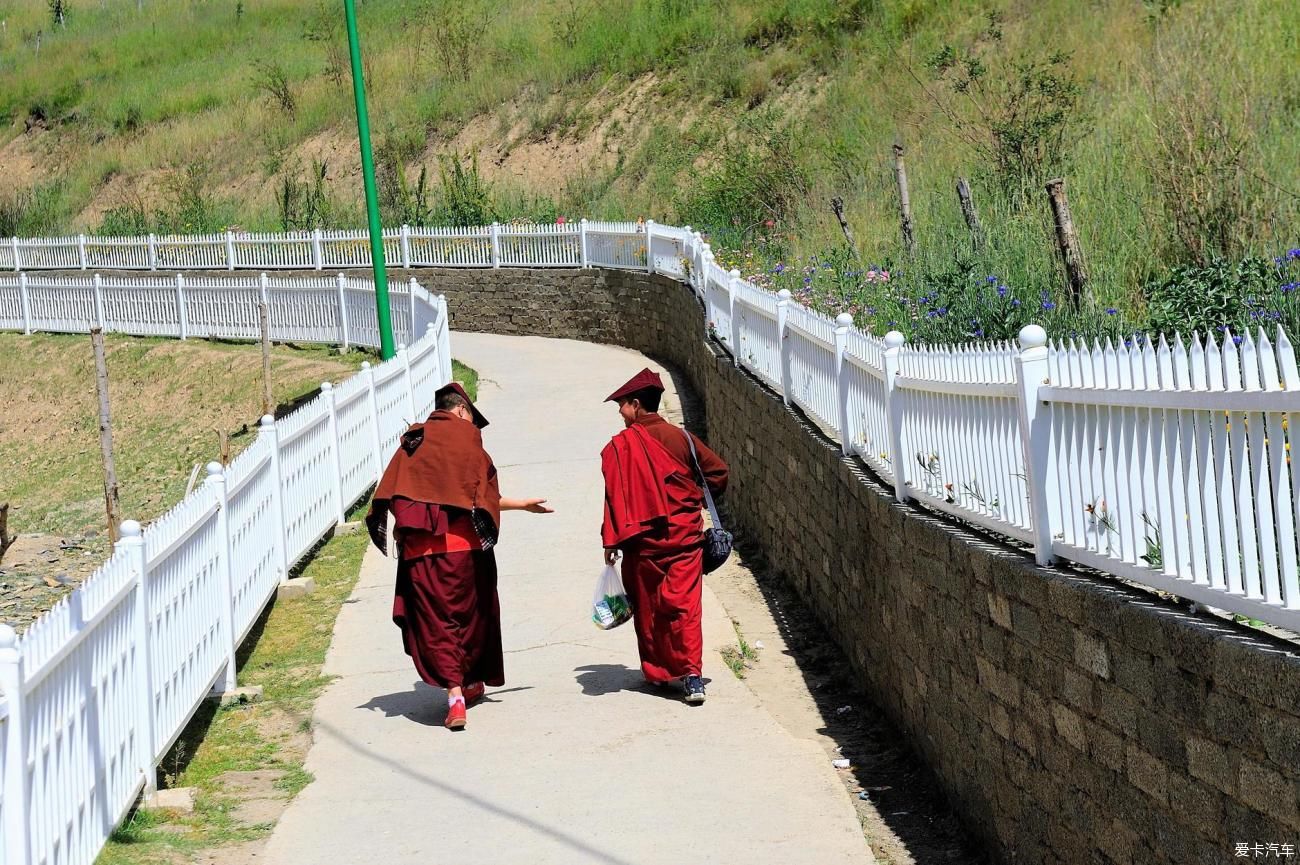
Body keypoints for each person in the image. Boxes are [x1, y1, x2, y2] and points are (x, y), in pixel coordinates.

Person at [366, 381, 552, 730]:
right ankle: (461, 688)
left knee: (438, 624)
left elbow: (395, 495)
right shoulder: (469, 443)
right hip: (463, 551)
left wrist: (521, 505)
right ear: (463, 411)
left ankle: (457, 692)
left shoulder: (412, 443)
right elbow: (477, 499)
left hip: (420, 555)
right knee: (467, 618)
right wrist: (522, 505)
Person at [599, 368, 729, 703]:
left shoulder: (621, 446)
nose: (619, 411)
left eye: (622, 405)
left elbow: (614, 496)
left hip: (642, 545)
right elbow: (718, 472)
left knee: (650, 608)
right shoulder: (681, 438)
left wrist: (611, 540)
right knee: (684, 608)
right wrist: (692, 499)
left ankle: (657, 672)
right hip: (685, 539)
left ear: (638, 405)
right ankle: (692, 676)